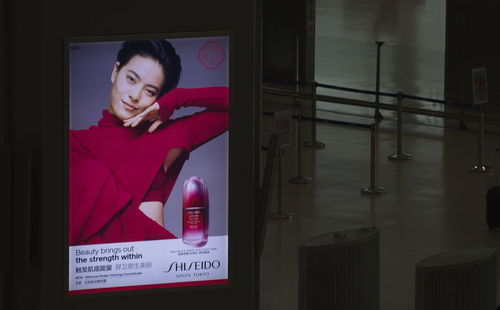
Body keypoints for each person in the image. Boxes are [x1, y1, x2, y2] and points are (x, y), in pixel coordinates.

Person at [69, 40, 228, 245]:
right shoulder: (74, 143)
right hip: (95, 269)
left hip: (152, 268)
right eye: (131, 79)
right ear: (115, 72)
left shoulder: (166, 135)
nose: (134, 96)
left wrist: (177, 99)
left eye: (150, 91)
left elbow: (240, 102)